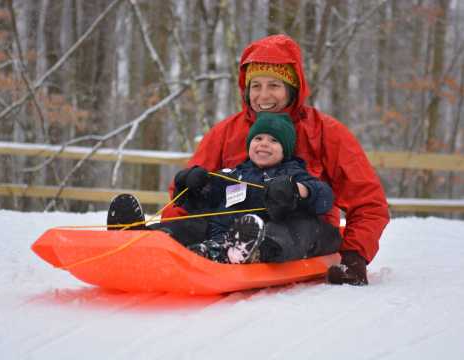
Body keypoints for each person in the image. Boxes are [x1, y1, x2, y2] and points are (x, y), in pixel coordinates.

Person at [160, 34, 390, 285]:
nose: (264, 96)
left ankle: (248, 248)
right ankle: (152, 240)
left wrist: (354, 257)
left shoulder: (325, 132)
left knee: (289, 231)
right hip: (226, 227)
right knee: (189, 225)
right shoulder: (226, 133)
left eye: (274, 86)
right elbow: (186, 201)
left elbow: (368, 202)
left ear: (291, 89)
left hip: (297, 233)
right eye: (256, 86)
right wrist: (189, 186)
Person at [108, 112, 342, 265]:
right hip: (217, 230)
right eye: (258, 138)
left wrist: (297, 190)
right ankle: (141, 238)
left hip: (256, 236)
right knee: (194, 222)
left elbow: (323, 196)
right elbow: (202, 203)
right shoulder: (234, 173)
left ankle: (226, 254)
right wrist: (192, 185)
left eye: (273, 141)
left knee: (288, 230)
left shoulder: (292, 174)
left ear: (285, 150)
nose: (263, 144)